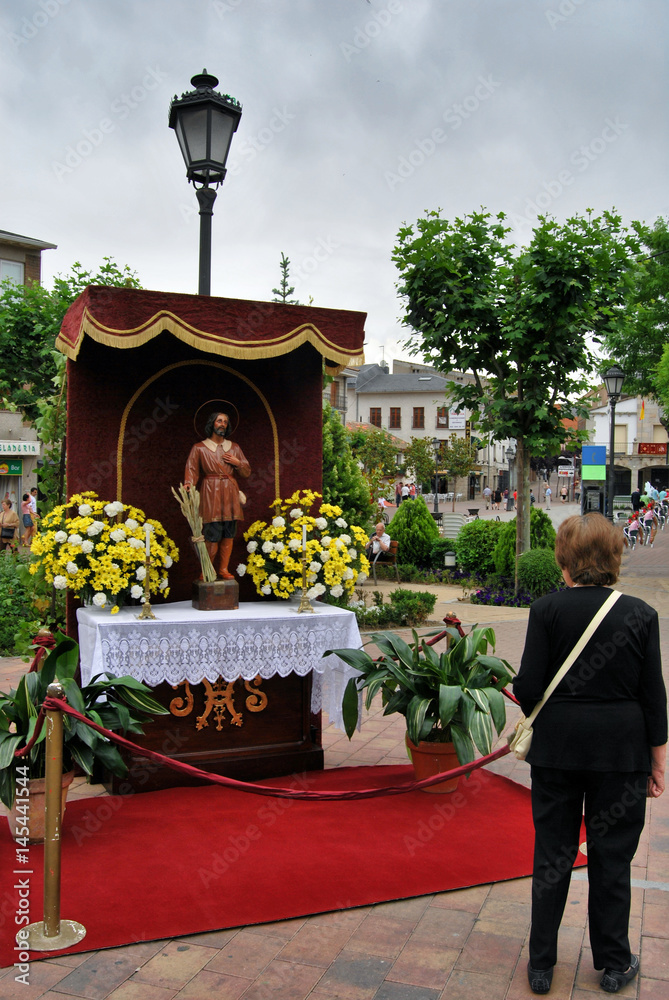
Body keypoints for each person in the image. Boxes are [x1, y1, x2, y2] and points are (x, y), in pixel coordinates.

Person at [513, 513, 666, 995]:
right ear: (614, 558)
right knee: (612, 856)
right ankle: (614, 963)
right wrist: (658, 760)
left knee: (552, 855)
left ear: (566, 561)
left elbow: (531, 687)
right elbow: (653, 695)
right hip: (621, 752)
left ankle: (541, 965)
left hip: (558, 749)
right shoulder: (641, 613)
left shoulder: (547, 611)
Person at [184, 410, 251, 580]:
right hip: (210, 492)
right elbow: (192, 469)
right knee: (212, 533)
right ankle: (207, 570)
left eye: (225, 422)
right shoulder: (199, 448)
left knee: (229, 532)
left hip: (230, 492)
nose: (222, 424)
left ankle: (223, 569)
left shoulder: (234, 448)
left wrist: (238, 463)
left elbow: (246, 472)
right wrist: (188, 484)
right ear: (212, 424)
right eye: (219, 421)